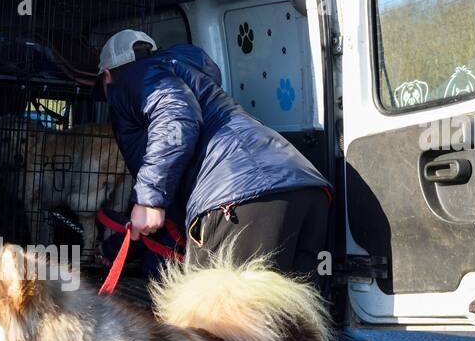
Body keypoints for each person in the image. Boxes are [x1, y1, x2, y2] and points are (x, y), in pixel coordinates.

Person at [99, 29, 332, 279]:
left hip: (239, 195)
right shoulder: (190, 76)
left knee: (213, 314)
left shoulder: (133, 77)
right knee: (294, 313)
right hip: (306, 188)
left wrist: (148, 199)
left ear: (107, 76)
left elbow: (178, 116)